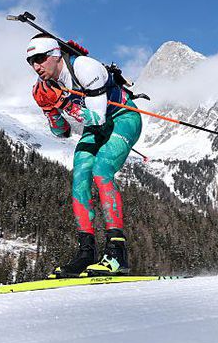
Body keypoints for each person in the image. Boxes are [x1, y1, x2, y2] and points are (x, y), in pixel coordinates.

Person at [27, 33, 143, 277]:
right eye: (31, 62)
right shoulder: (44, 87)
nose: (36, 66)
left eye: (40, 58)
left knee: (102, 170)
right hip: (95, 126)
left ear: (55, 55)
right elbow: (62, 132)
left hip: (123, 118)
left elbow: (98, 118)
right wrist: (50, 110)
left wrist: (65, 104)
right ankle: (85, 253)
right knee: (80, 176)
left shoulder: (85, 68)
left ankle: (116, 254)